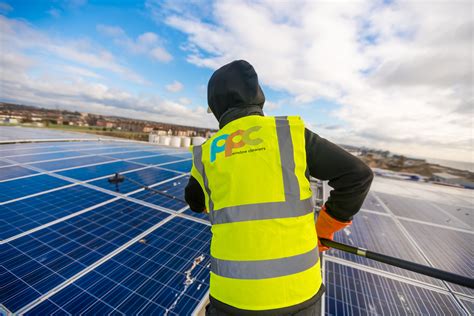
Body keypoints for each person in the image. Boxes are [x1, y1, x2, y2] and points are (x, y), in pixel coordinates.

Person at [185, 60, 373, 315]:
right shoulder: (289, 134)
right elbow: (358, 175)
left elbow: (195, 203)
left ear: (216, 107)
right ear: (257, 97)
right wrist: (324, 229)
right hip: (299, 294)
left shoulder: (207, 154)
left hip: (233, 297)